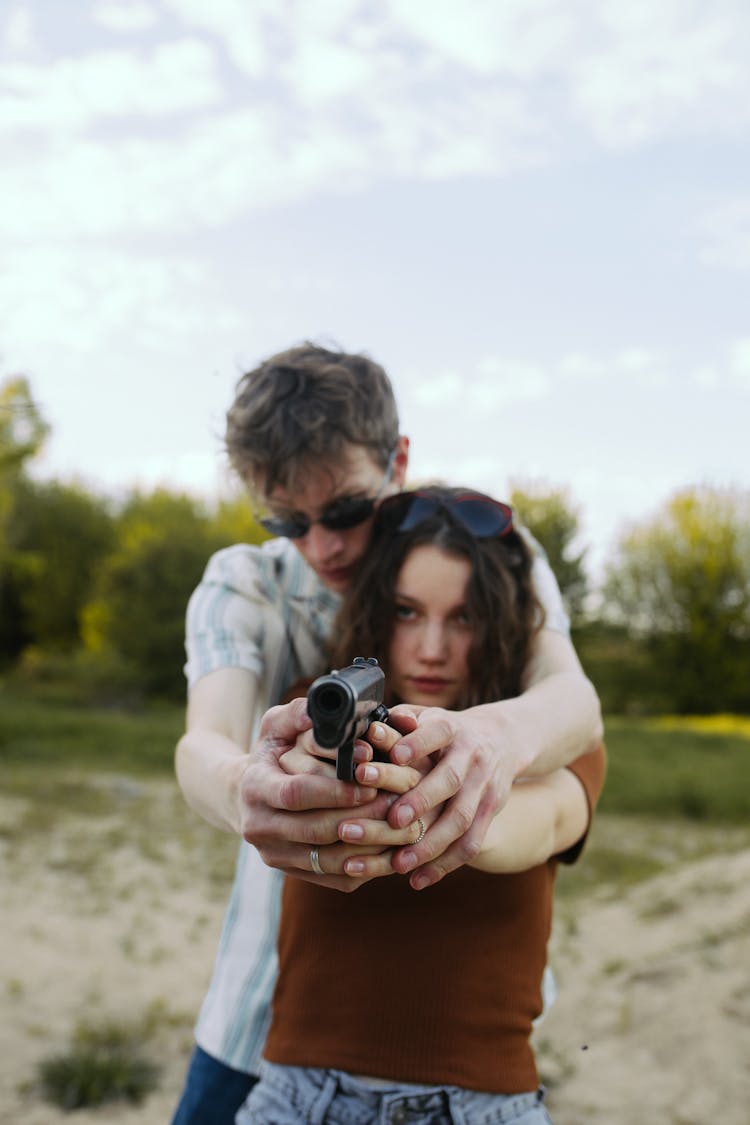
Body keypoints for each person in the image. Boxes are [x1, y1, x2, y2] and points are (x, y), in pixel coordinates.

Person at [171, 344, 602, 1123]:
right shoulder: (244, 581)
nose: (323, 546)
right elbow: (205, 742)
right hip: (258, 1022)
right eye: (286, 520)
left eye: (343, 509)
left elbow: (571, 700)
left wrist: (489, 742)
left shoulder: (487, 544)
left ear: (398, 458)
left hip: (466, 1045)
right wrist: (245, 790)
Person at [235, 486, 607, 1124]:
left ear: (500, 624)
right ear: (378, 611)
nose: (432, 646)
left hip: (479, 1107)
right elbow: (283, 783)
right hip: (295, 1097)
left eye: (462, 617)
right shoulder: (318, 706)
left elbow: (538, 824)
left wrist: (423, 789)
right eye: (408, 612)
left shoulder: (552, 743)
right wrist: (312, 780)